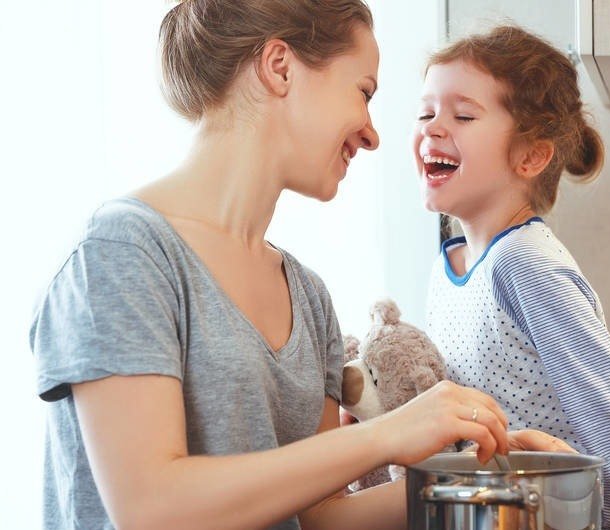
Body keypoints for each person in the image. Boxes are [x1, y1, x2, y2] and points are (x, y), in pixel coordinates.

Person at [29, 2, 570, 529]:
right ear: (280, 67)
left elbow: (319, 516)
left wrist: (485, 481)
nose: (372, 132)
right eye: (363, 92)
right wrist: (387, 435)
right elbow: (152, 509)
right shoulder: (127, 253)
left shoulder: (308, 296)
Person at [414, 25, 610, 530]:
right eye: (426, 112)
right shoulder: (445, 269)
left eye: (463, 114)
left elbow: (609, 421)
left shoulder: (525, 264)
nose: (432, 127)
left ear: (531, 156)